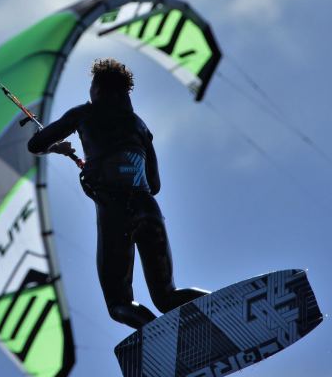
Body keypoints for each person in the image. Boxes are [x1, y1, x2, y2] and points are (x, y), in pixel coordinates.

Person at [27, 58, 208, 328]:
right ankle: (225, 305)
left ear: (98, 89)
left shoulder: (83, 114)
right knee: (167, 297)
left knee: (119, 303)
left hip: (115, 213)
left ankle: (161, 341)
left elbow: (35, 144)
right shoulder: (140, 126)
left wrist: (57, 148)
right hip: (148, 210)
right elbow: (154, 185)